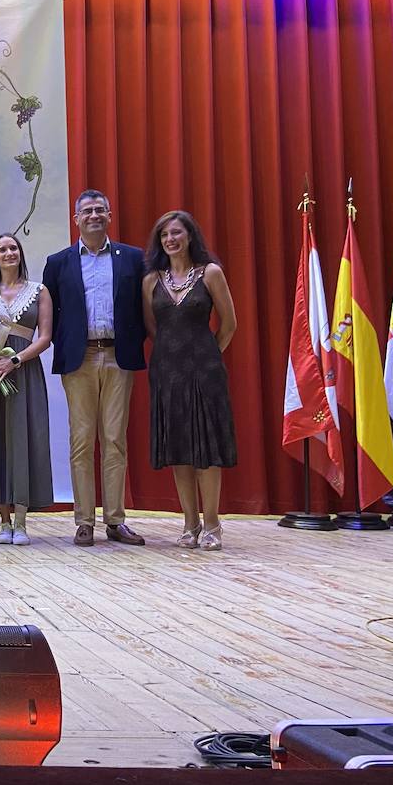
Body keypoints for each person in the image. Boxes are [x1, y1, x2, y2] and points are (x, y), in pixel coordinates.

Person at [41, 190, 147, 548]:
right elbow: (51, 313)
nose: (94, 215)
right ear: (76, 219)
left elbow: (143, 308)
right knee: (82, 440)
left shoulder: (132, 258)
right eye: (87, 211)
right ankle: (84, 521)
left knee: (115, 439)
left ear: (109, 215)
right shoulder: (58, 262)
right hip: (80, 358)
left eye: (100, 209)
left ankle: (115, 521)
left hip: (119, 356)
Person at [141, 211, 238, 550]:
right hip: (167, 374)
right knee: (179, 449)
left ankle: (212, 524)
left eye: (176, 233)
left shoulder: (210, 273)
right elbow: (152, 327)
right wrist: (174, 357)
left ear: (190, 236)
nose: (170, 239)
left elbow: (229, 324)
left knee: (205, 449)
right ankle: (189, 523)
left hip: (204, 373)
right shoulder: (151, 280)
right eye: (164, 234)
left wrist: (206, 355)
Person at [0, 234, 54, 545]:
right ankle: (3, 521)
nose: (8, 253)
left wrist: (15, 360)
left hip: (24, 371)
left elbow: (45, 338)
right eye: (2, 249)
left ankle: (21, 522)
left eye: (13, 248)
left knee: (23, 439)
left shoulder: (39, 291)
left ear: (20, 253)